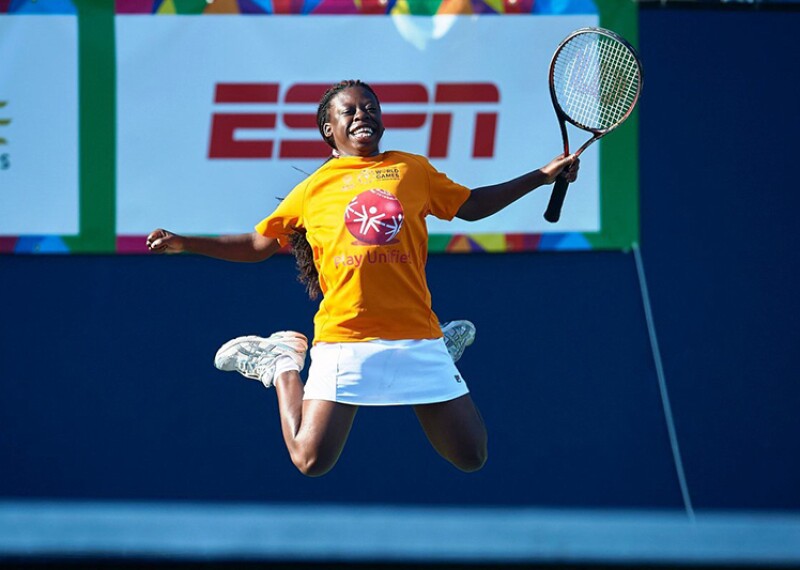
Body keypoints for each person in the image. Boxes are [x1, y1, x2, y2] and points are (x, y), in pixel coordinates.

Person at [147, 79, 579, 477]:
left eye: (370, 108)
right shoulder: (313, 189)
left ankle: (442, 349)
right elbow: (255, 246)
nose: (362, 115)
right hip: (345, 338)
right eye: (348, 111)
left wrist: (541, 177)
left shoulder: (412, 170)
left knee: (471, 456)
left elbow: (470, 205)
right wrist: (187, 242)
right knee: (310, 459)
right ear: (328, 130)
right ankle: (280, 364)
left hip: (416, 334)